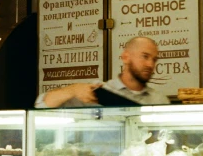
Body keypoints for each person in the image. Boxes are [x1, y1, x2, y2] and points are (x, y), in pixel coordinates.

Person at [35, 36, 170, 107]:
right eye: (145, 57)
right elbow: (43, 105)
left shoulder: (160, 101)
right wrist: (72, 90)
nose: (150, 64)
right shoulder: (95, 93)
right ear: (125, 57)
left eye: (154, 59)